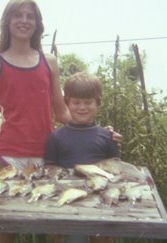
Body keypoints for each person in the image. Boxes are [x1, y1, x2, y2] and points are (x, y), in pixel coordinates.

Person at [0, 0, 121, 242]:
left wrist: (101, 132)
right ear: (8, 22)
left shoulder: (48, 61)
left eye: (30, 16)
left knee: (54, 228)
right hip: (8, 157)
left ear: (37, 24)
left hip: (48, 156)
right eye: (18, 15)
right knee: (5, 228)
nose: (24, 20)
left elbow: (62, 112)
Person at [44, 72, 119, 243]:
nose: (82, 107)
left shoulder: (108, 137)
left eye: (88, 102)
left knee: (102, 239)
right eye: (76, 102)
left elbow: (116, 172)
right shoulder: (55, 137)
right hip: (66, 201)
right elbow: (50, 171)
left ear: (97, 103)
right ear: (67, 103)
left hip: (100, 201)